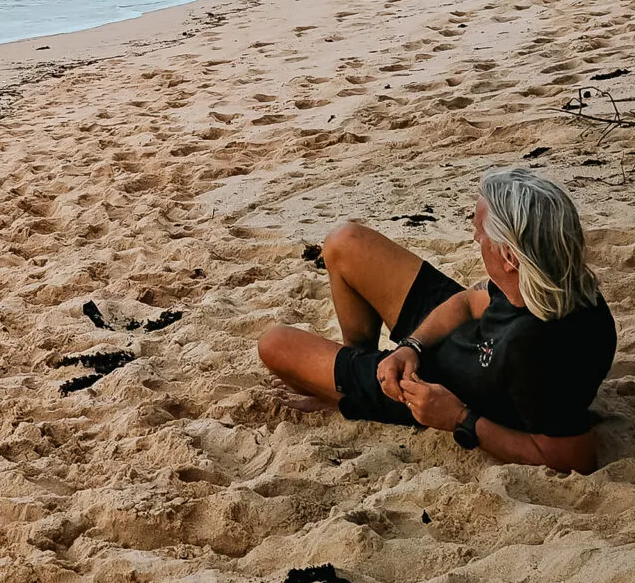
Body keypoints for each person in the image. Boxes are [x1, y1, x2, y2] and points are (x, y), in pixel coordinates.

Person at [256, 166, 615, 472]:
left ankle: (347, 390)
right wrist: (411, 346)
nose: (475, 237)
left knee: (274, 345)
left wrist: (459, 418)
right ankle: (357, 367)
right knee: (344, 241)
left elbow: (574, 459)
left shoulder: (538, 349)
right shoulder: (550, 281)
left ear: (509, 255)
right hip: (449, 345)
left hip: (437, 387)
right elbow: (466, 303)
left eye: (480, 236)